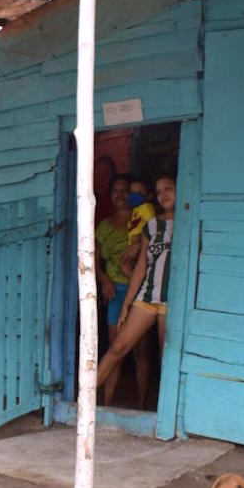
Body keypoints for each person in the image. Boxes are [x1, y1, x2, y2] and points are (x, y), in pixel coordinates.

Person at [96, 173, 176, 400]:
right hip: (147, 297)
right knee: (119, 347)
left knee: (165, 359)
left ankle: (162, 415)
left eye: (168, 189)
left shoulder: (187, 223)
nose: (163, 195)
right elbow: (141, 267)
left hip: (172, 301)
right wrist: (126, 306)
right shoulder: (152, 225)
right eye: (159, 192)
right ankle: (85, 401)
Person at [95, 173, 152, 408]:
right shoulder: (105, 225)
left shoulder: (145, 218)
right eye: (115, 190)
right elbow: (92, 258)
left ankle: (142, 406)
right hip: (116, 291)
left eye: (125, 190)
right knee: (115, 349)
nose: (120, 195)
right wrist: (104, 279)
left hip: (141, 291)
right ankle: (105, 405)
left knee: (141, 351)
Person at [120, 176, 156, 277]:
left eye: (140, 193)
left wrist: (139, 243)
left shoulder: (146, 208)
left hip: (144, 248)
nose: (134, 195)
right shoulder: (136, 210)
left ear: (149, 196)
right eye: (132, 192)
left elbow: (153, 228)